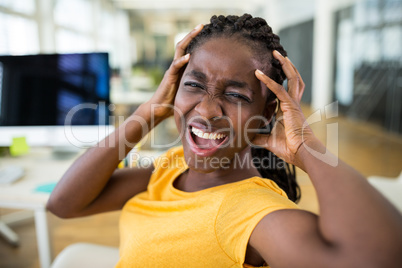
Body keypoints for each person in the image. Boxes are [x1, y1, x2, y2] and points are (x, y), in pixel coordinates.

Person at [47, 14, 402, 267]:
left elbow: (374, 258)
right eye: (194, 85)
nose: (206, 110)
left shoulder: (251, 213)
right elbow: (64, 204)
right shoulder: (171, 169)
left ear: (267, 115)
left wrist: (305, 149)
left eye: (236, 95)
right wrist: (150, 111)